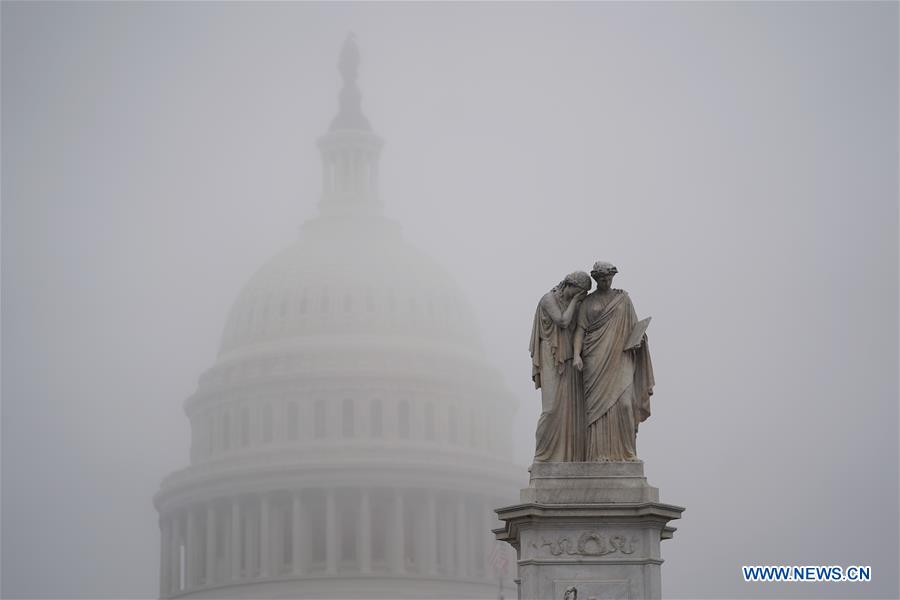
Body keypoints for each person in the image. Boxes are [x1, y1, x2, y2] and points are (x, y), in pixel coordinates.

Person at [573, 262, 654, 461]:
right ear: (595, 279)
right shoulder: (588, 303)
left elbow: (634, 327)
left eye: (609, 278)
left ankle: (627, 453)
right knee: (597, 411)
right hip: (595, 358)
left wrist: (640, 339)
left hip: (621, 356)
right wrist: (576, 355)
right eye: (601, 279)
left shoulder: (623, 300)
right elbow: (580, 331)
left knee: (625, 404)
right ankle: (598, 454)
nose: (606, 282)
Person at [529, 271, 592, 462]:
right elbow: (563, 321)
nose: (579, 298)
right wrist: (575, 301)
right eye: (578, 293)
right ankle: (541, 456)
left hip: (567, 356)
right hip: (550, 353)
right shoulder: (548, 299)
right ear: (568, 285)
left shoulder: (577, 304)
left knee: (569, 409)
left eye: (582, 295)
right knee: (550, 409)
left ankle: (567, 456)